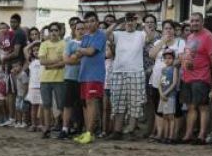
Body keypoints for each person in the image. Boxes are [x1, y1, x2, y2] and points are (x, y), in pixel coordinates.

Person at [106, 12, 147, 140]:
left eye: (132, 20)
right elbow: (106, 34)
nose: (130, 22)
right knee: (118, 103)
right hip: (118, 72)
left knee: (134, 103)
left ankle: (130, 131)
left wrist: (142, 22)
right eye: (128, 20)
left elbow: (151, 36)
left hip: (136, 72)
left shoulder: (141, 34)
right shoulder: (118, 34)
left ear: (136, 22)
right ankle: (117, 131)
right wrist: (118, 22)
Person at [180, 12, 212, 144]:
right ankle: (188, 134)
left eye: (197, 21)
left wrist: (205, 69)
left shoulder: (208, 37)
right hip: (188, 77)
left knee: (202, 107)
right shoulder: (190, 36)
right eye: (192, 21)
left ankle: (202, 135)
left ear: (202, 22)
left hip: (201, 77)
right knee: (191, 107)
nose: (194, 23)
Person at [74, 10, 107, 145]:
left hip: (95, 74)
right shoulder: (86, 37)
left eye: (92, 21)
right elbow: (79, 55)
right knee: (86, 104)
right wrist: (81, 50)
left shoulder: (101, 35)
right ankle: (88, 133)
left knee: (92, 103)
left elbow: (90, 51)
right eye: (87, 21)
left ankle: (90, 132)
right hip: (84, 74)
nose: (89, 24)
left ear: (97, 23)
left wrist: (80, 49)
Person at [148, 20, 183, 141]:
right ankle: (160, 134)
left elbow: (182, 59)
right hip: (157, 80)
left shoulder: (180, 42)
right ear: (162, 30)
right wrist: (163, 41)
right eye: (166, 28)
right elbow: (152, 55)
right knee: (159, 108)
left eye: (170, 28)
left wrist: (170, 65)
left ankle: (173, 135)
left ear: (174, 30)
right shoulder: (158, 42)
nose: (168, 31)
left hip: (172, 80)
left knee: (173, 109)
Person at [38, 22, 66, 137]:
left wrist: (50, 65)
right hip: (45, 79)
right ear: (48, 33)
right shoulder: (44, 44)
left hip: (60, 79)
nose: (53, 32)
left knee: (61, 105)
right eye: (51, 31)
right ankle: (47, 128)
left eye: (56, 30)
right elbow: (42, 61)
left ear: (60, 32)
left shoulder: (64, 44)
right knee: (46, 104)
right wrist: (57, 61)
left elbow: (64, 62)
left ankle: (64, 128)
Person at [59, 19, 85, 139]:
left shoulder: (88, 42)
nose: (80, 31)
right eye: (78, 29)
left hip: (85, 77)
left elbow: (71, 60)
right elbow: (66, 60)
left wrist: (74, 58)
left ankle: (80, 128)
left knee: (83, 105)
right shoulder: (70, 43)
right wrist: (80, 59)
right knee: (68, 104)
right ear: (74, 31)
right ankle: (65, 128)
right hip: (70, 77)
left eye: (82, 28)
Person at [157, 50, 179, 143]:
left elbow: (174, 83)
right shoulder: (163, 69)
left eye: (170, 58)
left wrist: (165, 93)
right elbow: (159, 83)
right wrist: (161, 93)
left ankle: (171, 137)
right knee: (165, 116)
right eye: (165, 58)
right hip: (163, 96)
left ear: (173, 59)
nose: (167, 60)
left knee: (171, 116)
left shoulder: (174, 69)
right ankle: (165, 136)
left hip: (170, 96)